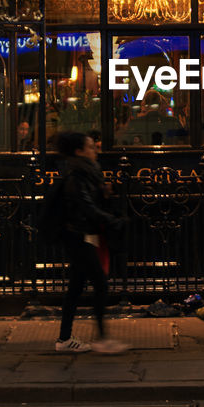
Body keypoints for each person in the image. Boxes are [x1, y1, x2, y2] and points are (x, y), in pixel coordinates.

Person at [47, 131, 128, 354]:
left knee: (75, 287)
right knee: (100, 284)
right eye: (91, 147)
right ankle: (102, 339)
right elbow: (85, 207)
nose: (96, 150)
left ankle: (64, 339)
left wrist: (106, 194)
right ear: (79, 151)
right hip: (78, 237)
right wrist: (112, 220)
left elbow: (91, 202)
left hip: (82, 235)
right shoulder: (76, 175)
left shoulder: (88, 173)